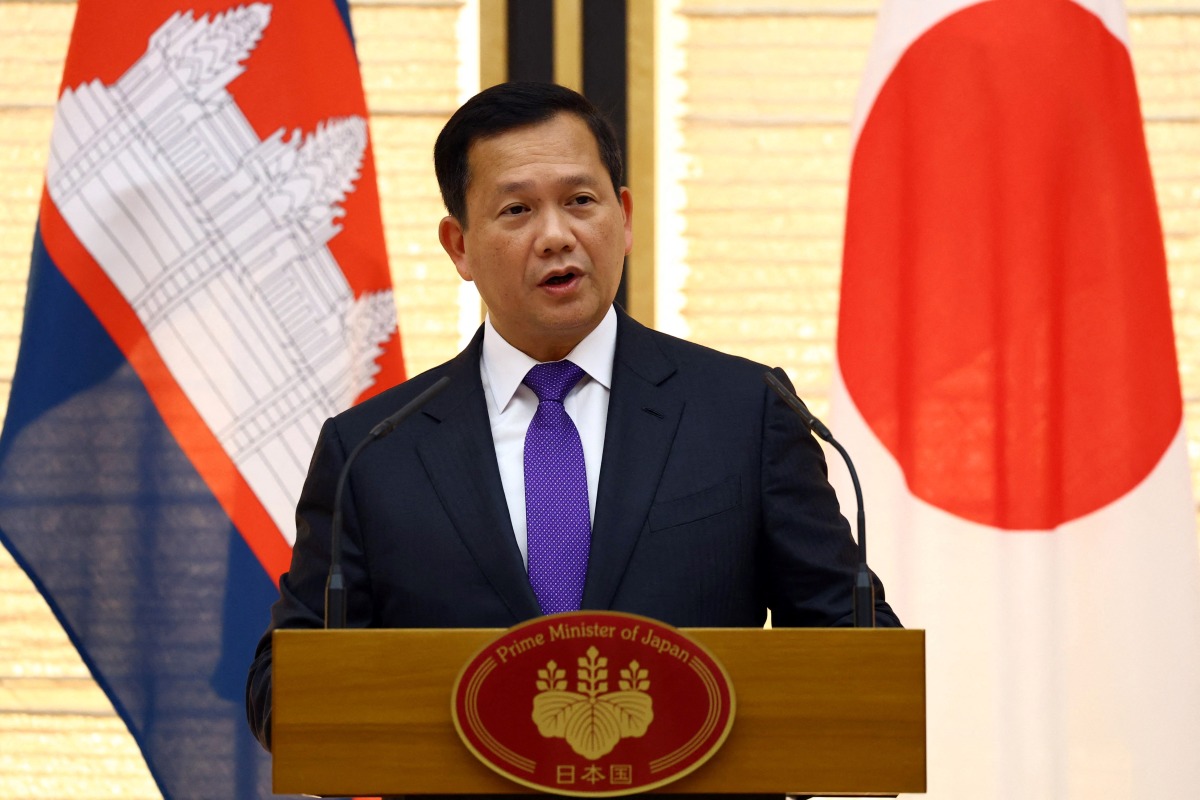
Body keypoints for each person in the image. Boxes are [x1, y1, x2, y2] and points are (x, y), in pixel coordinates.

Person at [246, 81, 899, 755]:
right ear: (459, 246)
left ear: (624, 216)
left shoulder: (745, 412)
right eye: (517, 209)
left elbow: (850, 643)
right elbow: (285, 692)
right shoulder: (375, 452)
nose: (557, 235)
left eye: (580, 201)